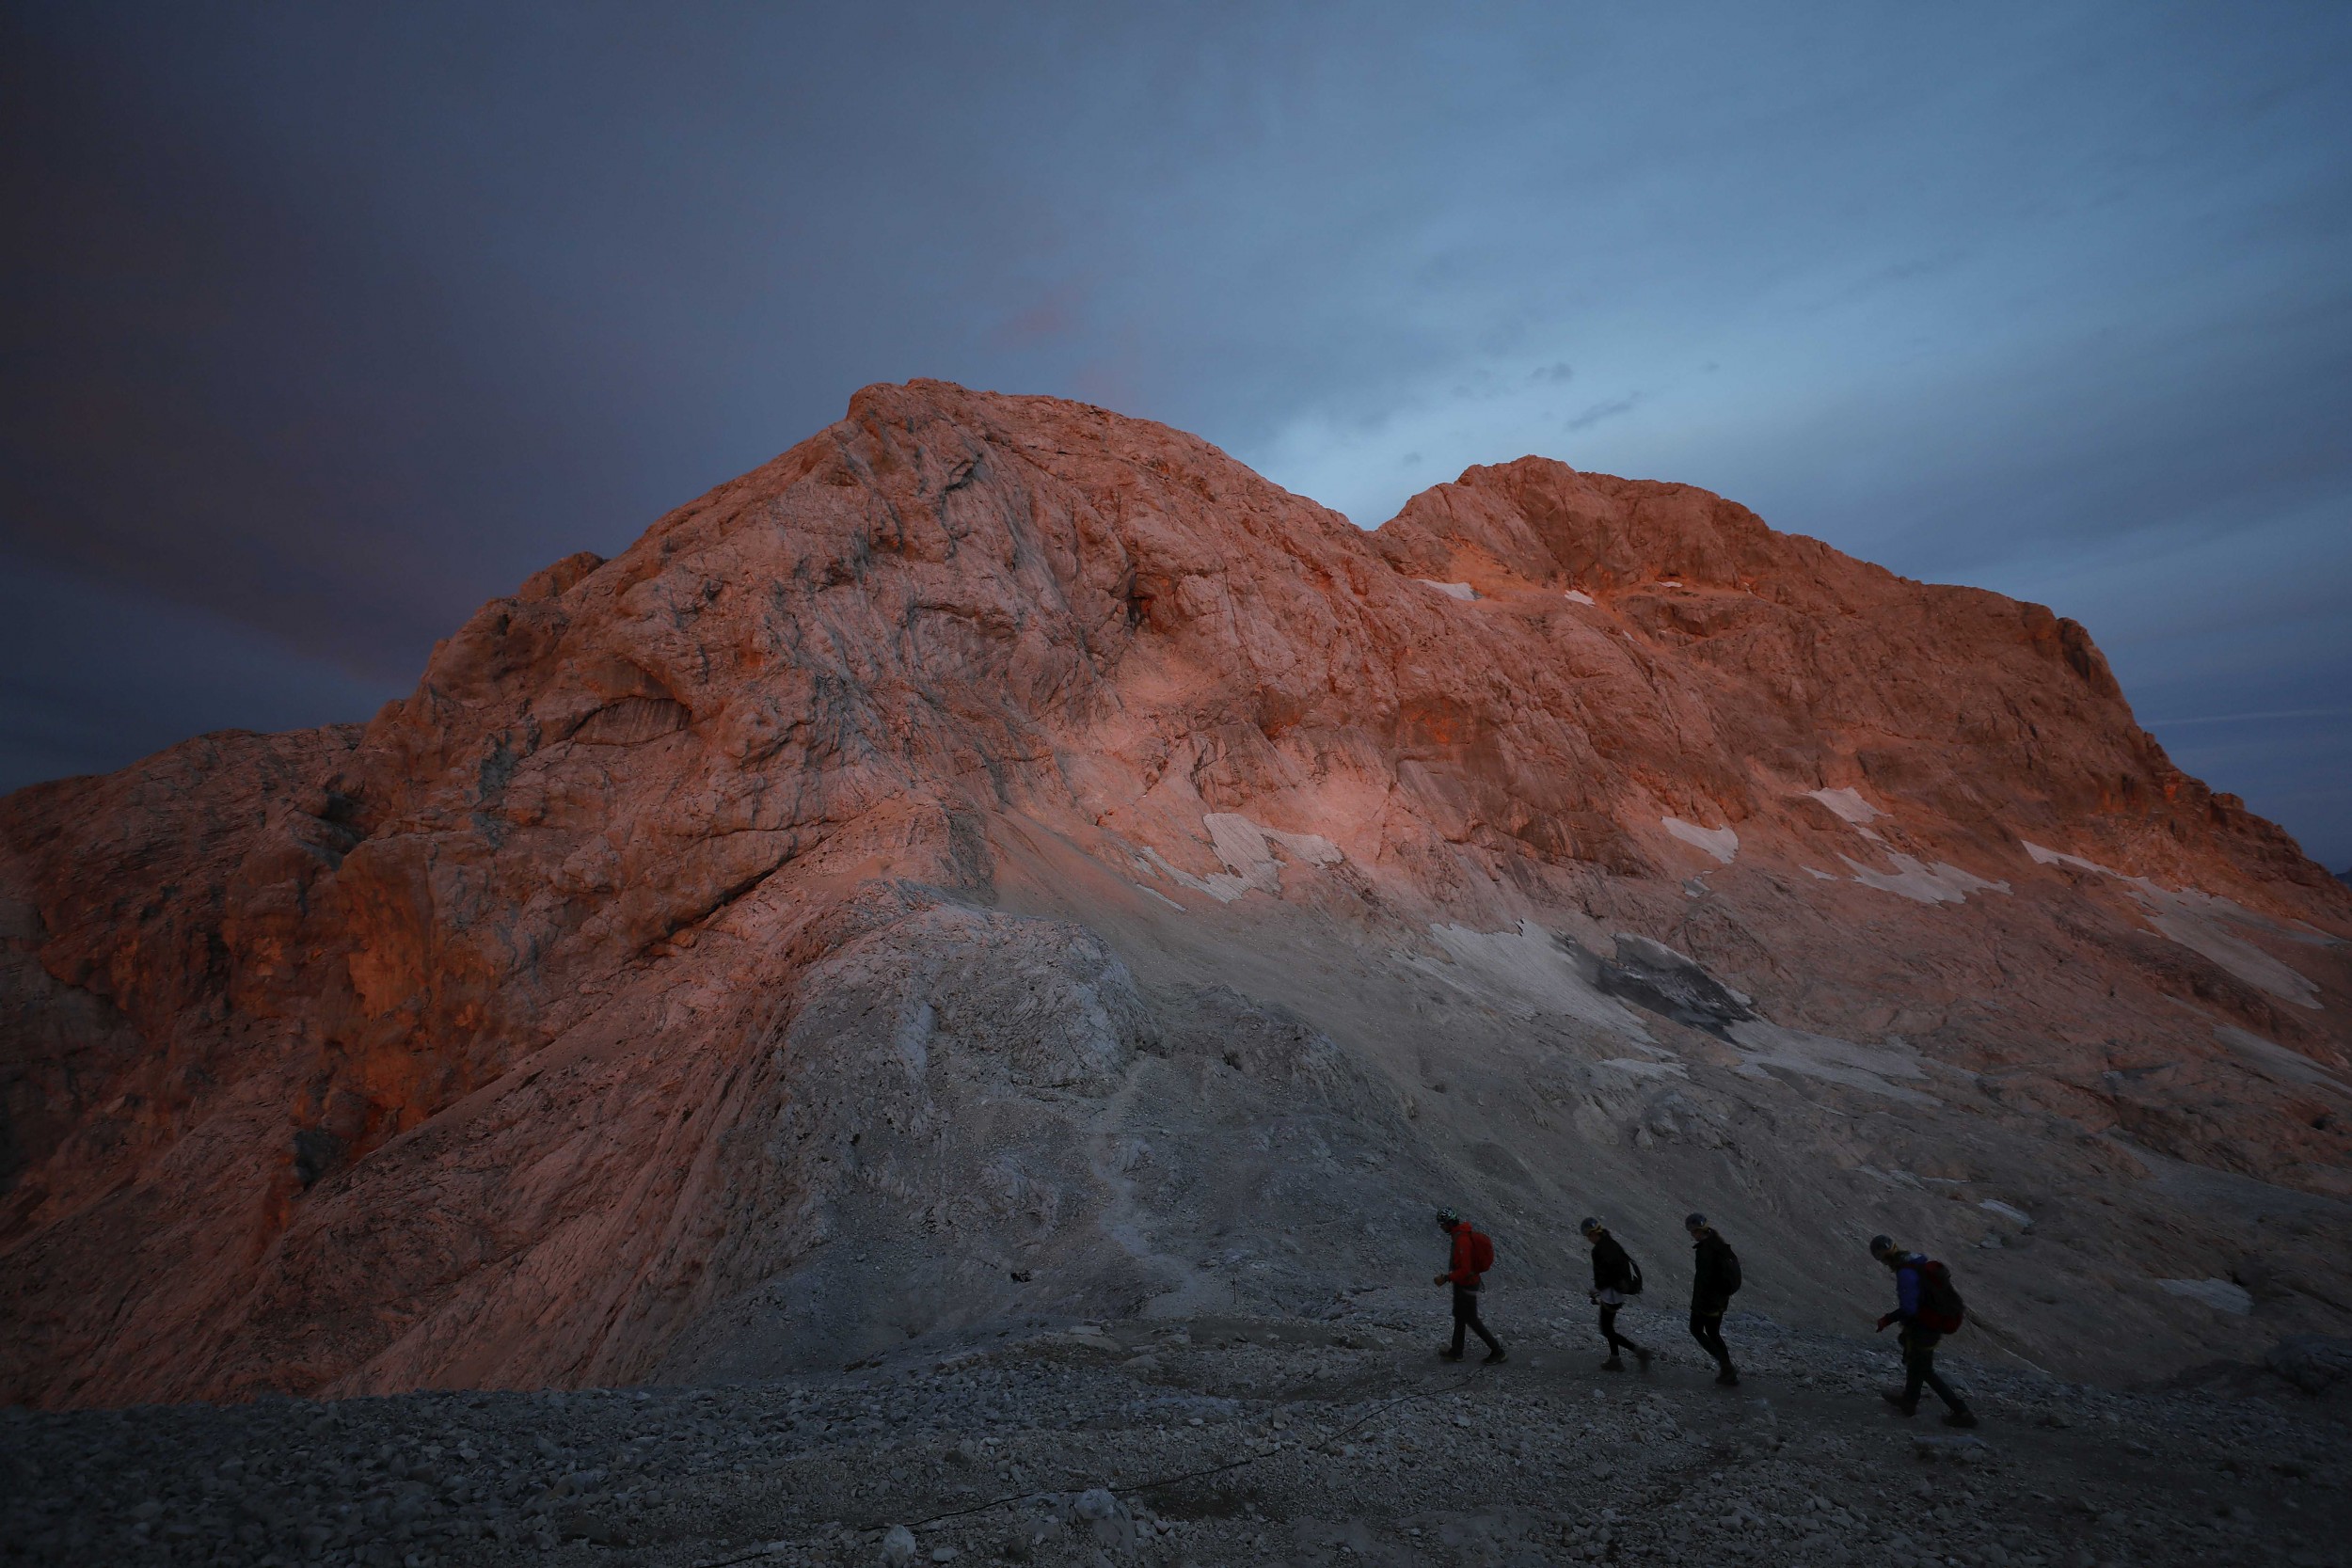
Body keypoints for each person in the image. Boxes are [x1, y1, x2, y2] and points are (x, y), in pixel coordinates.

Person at [1868, 1235, 1978, 1428]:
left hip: (1924, 1327)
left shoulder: (1905, 1273)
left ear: (1884, 1257)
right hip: (1931, 1323)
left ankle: (1962, 1411)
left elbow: (1909, 1309)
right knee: (1915, 1361)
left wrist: (1888, 1319)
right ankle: (1909, 1401)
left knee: (1924, 1369)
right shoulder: (1916, 1262)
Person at [1432, 1207, 1505, 1363]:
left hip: (1466, 1284)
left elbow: (1465, 1270)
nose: (1441, 1227)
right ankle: (1456, 1351)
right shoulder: (1459, 1236)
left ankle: (1497, 1351)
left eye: (1443, 1224)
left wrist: (1446, 1278)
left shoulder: (1462, 1241)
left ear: (1449, 1223)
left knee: (1471, 1319)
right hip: (1463, 1284)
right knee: (1460, 1316)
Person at [1579, 1217, 1652, 1370]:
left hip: (1611, 1294)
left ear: (1592, 1234)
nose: (1588, 1239)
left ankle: (1638, 1351)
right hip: (1617, 1291)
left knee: (1606, 1329)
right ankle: (1615, 1359)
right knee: (1609, 1327)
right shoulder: (1611, 1243)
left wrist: (1596, 1289)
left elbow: (1606, 1274)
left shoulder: (1599, 1249)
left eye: (1588, 1236)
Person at [1684, 1212, 1740, 1386]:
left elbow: (1704, 1280)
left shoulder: (1705, 1250)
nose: (1692, 1235)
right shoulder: (1719, 1244)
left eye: (1693, 1231)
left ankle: (1726, 1366)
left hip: (1707, 1302)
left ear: (1698, 1230)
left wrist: (1698, 1305)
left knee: (1696, 1329)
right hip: (1721, 1300)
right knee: (1714, 1333)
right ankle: (1727, 1370)